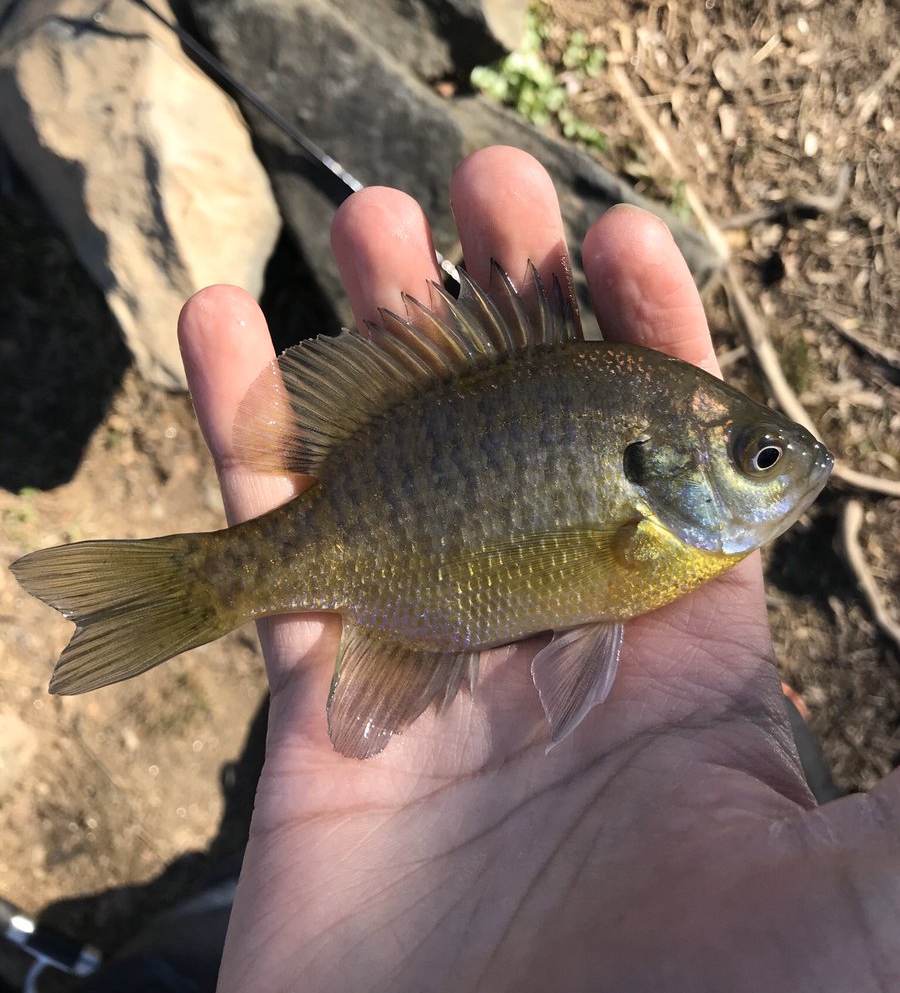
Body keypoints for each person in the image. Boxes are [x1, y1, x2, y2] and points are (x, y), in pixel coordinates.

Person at [172, 146, 896, 992]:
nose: (789, 470)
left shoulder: (658, 527)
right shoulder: (650, 533)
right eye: (759, 457)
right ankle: (194, 591)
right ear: (664, 469)